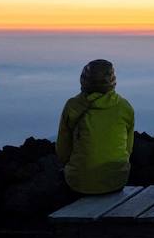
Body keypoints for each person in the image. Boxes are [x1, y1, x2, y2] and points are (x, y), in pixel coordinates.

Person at [56, 60, 136, 195]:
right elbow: (128, 149)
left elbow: (62, 150)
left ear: (83, 80)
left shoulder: (72, 106)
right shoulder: (124, 107)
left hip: (79, 183)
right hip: (116, 181)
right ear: (112, 80)